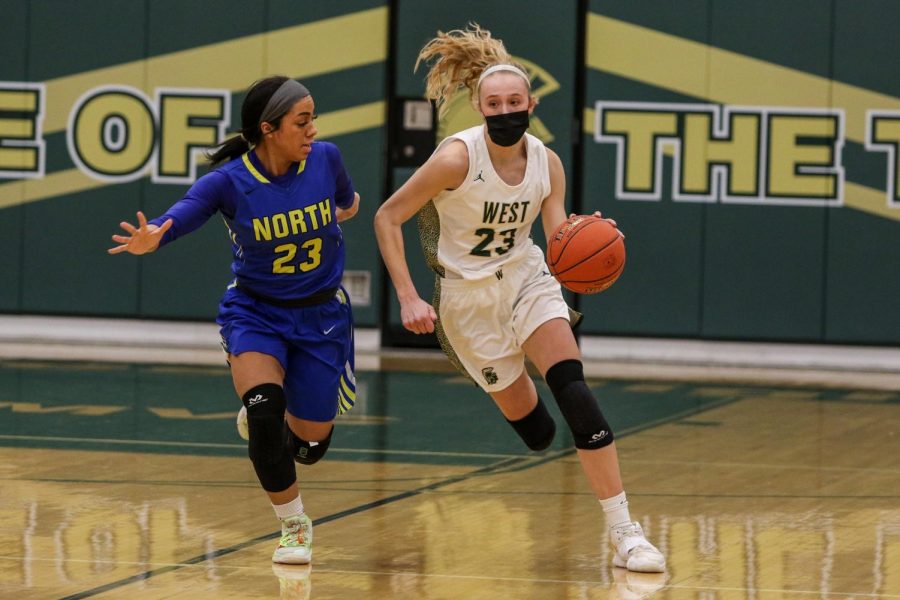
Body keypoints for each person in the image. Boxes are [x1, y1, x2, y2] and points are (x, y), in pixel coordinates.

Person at [374, 25, 666, 573]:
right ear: (479, 107)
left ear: (531, 103)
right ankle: (522, 389)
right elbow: (387, 215)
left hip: (528, 281)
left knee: (574, 391)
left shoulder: (546, 163)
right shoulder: (456, 159)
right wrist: (409, 297)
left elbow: (558, 245)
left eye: (515, 101)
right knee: (539, 433)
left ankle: (626, 532)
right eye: (494, 103)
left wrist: (587, 235)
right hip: (468, 302)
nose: (506, 110)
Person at [109, 75, 360, 566]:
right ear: (269, 129)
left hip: (321, 317)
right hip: (255, 312)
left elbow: (348, 206)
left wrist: (315, 222)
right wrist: (155, 235)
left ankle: (287, 426)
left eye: (313, 119)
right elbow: (184, 212)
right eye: (302, 121)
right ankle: (293, 525)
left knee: (310, 445)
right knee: (267, 415)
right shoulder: (229, 182)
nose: (313, 129)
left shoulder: (326, 159)